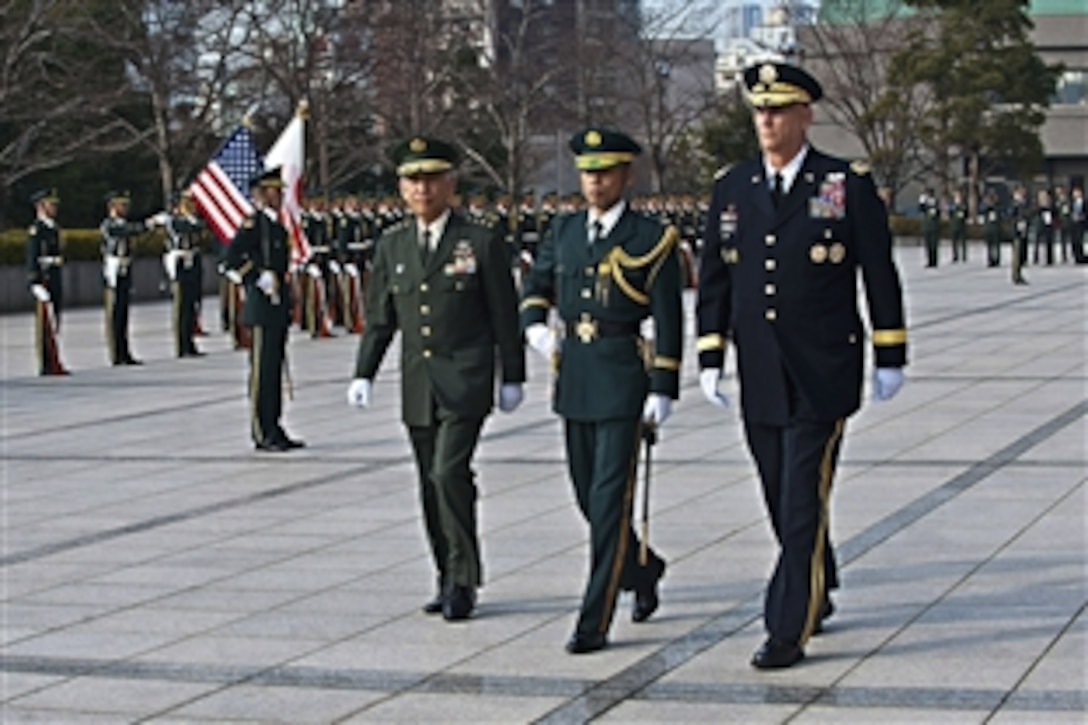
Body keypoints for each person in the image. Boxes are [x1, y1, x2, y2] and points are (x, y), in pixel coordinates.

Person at [696, 62, 908, 669]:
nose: (767, 120)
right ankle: (822, 574)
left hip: (822, 371)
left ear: (805, 115)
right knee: (778, 495)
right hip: (760, 371)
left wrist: (889, 351)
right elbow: (715, 278)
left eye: (780, 109)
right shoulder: (732, 187)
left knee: (799, 504)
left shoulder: (843, 182)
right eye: (760, 110)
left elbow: (877, 273)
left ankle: (788, 626)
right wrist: (711, 351)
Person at [347, 137, 525, 621]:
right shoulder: (393, 244)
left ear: (451, 183)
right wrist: (364, 371)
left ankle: (464, 578)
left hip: (466, 378)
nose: (422, 189)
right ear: (402, 188)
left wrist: (512, 374)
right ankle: (444, 573)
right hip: (418, 381)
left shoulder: (480, 241)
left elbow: (504, 314)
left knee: (449, 472)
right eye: (412, 180)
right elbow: (380, 317)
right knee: (429, 481)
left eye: (431, 179)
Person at [520, 127, 683, 654]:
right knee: (587, 497)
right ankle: (643, 567)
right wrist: (536, 329)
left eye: (605, 172)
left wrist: (663, 384)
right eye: (588, 172)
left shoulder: (650, 236)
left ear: (626, 176)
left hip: (620, 377)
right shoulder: (565, 231)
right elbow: (536, 285)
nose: (595, 182)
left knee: (610, 504)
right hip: (574, 376)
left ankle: (594, 618)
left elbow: (667, 314)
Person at [223, 168, 305, 452]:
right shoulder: (254, 224)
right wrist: (256, 276)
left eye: (280, 191)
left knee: (275, 370)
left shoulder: (277, 227)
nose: (280, 195)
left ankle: (274, 425)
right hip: (261, 305)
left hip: (277, 305)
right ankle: (261, 430)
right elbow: (231, 257)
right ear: (261, 194)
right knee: (262, 371)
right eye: (274, 191)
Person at [100, 191, 149, 366]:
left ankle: (124, 351)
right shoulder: (109, 225)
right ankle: (115, 352)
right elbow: (123, 232)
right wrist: (148, 224)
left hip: (124, 269)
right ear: (112, 206)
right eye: (122, 204)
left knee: (123, 313)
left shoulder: (124, 224)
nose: (125, 208)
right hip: (113, 272)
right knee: (114, 313)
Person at [26, 188, 70, 376]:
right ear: (40, 206)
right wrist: (33, 281)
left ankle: (54, 359)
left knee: (54, 320)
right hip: (43, 279)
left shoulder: (53, 227)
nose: (54, 208)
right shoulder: (37, 229)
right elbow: (32, 256)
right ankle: (46, 363)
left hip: (54, 277)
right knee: (45, 323)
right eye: (50, 204)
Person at [162, 191, 206, 357]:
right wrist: (189, 217)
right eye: (185, 204)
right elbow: (187, 228)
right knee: (181, 305)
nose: (190, 207)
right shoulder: (173, 221)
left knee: (191, 304)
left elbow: (201, 227)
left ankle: (190, 342)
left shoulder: (192, 220)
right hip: (180, 263)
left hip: (192, 262)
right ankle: (181, 344)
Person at [919, 188, 940, 268]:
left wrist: (932, 206)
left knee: (933, 245)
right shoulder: (925, 204)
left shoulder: (935, 202)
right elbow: (921, 209)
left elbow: (936, 213)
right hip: (926, 227)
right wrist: (922, 203)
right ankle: (929, 261)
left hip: (934, 227)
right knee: (927, 245)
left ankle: (934, 261)